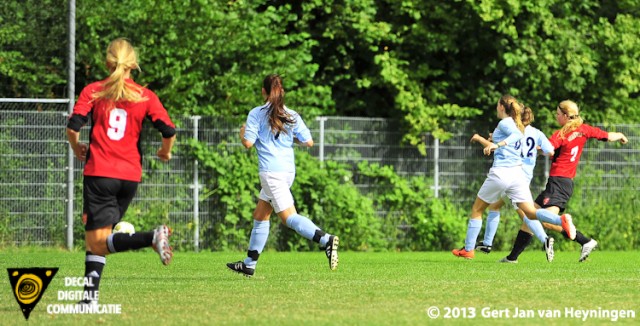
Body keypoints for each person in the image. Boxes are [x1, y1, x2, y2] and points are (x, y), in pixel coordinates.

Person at [66, 38, 176, 304]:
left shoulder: (94, 90)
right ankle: (88, 300)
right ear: (133, 64)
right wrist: (165, 151)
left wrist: (76, 146)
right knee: (100, 239)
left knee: (97, 240)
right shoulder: (144, 95)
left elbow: (73, 126)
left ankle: (151, 237)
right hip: (129, 177)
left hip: (100, 173)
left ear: (108, 62)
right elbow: (168, 130)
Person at [226, 74, 338, 277]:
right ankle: (249, 264)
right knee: (260, 215)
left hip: (271, 173)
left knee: (289, 218)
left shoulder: (256, 113)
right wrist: (287, 138)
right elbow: (309, 142)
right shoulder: (291, 114)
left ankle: (326, 239)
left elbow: (248, 143)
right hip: (287, 172)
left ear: (263, 92)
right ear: (282, 92)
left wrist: (242, 133)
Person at [502, 100, 628, 263]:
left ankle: (585, 241)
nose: (556, 116)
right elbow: (607, 136)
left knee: (545, 219)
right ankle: (512, 258)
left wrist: (523, 147)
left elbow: (546, 149)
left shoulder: (561, 134)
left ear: (566, 116)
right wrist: (621, 136)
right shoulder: (585, 129)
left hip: (559, 183)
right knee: (530, 215)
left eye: (558, 114)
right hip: (562, 182)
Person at [452, 95, 576, 260]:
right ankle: (561, 221)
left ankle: (468, 249)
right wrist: (492, 140)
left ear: (502, 107)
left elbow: (515, 137)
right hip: (518, 175)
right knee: (531, 212)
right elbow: (521, 140)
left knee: (477, 209)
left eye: (497, 105)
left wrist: (496, 144)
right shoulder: (517, 124)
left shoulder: (505, 123)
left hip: (502, 172)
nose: (496, 108)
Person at [470, 106, 557, 262]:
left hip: (513, 176)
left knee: (527, 214)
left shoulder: (514, 132)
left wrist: (479, 138)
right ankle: (487, 244)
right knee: (495, 206)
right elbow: (550, 151)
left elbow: (494, 147)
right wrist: (537, 149)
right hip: (524, 176)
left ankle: (545, 239)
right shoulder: (536, 133)